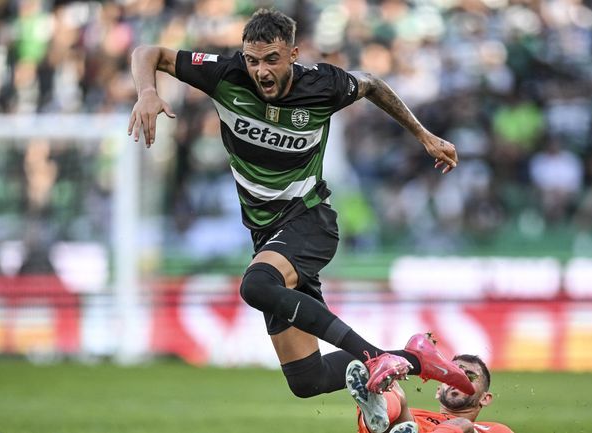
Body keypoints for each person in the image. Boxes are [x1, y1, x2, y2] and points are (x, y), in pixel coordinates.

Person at [128, 8, 472, 398]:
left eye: (271, 59)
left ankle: (374, 356)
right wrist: (147, 92)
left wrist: (424, 135)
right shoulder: (225, 75)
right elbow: (147, 52)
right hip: (267, 238)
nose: (261, 71)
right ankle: (416, 359)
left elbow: (372, 84)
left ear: (293, 54)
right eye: (252, 60)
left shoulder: (322, 85)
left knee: (256, 285)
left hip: (309, 220)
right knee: (308, 380)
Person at [347, 355, 514, 433]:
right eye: (452, 375)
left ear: (485, 398)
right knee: (395, 392)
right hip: (399, 427)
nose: (459, 380)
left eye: (469, 376)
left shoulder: (494, 430)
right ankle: (377, 406)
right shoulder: (411, 417)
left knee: (463, 424)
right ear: (438, 391)